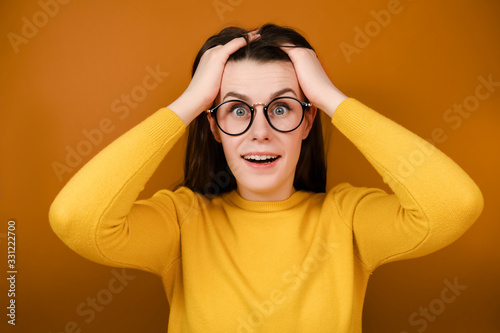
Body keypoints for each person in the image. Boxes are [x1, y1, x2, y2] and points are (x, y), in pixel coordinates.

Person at [49, 24, 484, 332]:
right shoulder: (182, 221)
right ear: (214, 126)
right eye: (236, 109)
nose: (260, 130)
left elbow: (454, 205)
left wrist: (330, 96)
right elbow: (76, 219)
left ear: (307, 120)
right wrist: (191, 102)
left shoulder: (346, 218)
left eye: (281, 107)